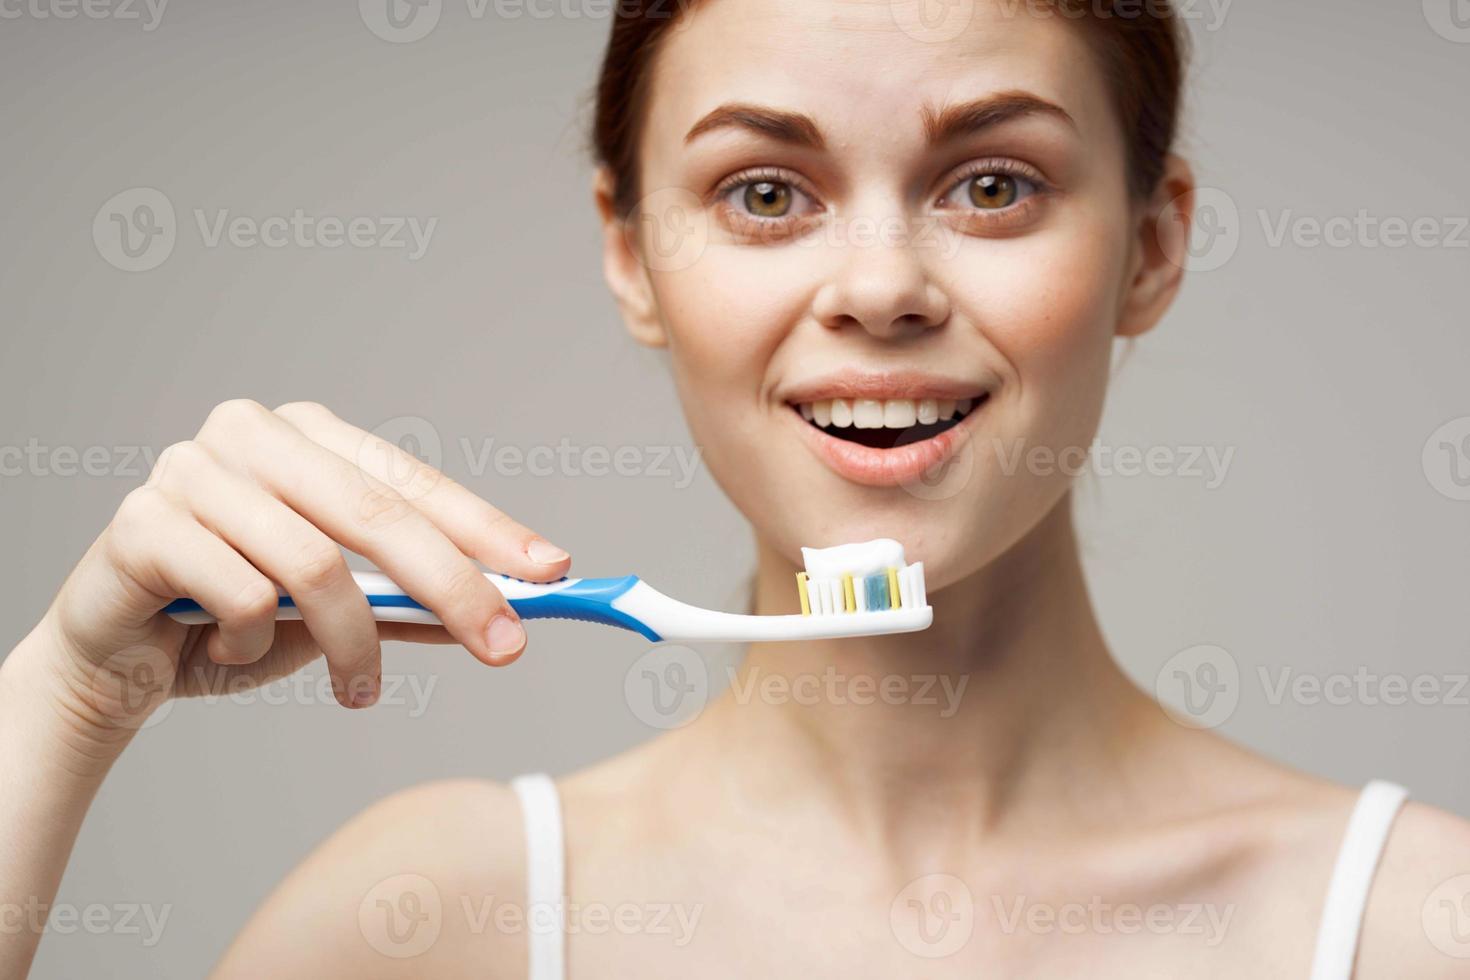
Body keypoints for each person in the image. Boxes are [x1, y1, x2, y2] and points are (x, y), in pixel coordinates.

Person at [4, 1, 1467, 976]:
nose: (881, 287)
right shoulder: (433, 920)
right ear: (632, 254)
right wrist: (66, 701)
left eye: (992, 183)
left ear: (1151, 247)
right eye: (765, 193)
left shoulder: (1410, 925)